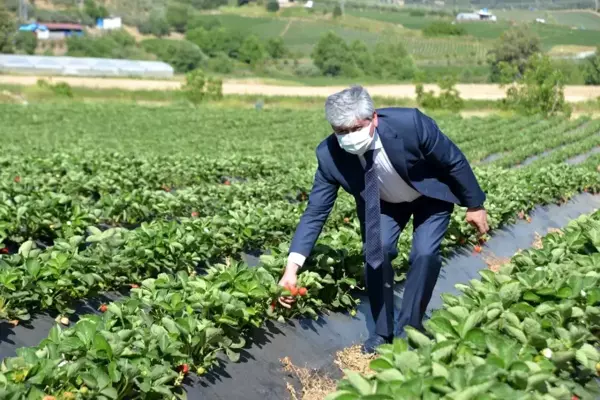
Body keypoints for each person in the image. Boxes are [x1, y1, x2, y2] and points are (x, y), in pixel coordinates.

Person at [277, 85, 489, 354]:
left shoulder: (410, 124)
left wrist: (475, 204)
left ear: (373, 118)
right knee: (377, 252)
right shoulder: (329, 155)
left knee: (424, 253)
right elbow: (316, 211)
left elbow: (453, 161)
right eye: (341, 131)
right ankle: (381, 332)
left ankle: (409, 330)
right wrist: (292, 268)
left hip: (429, 196)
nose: (349, 136)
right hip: (383, 202)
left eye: (355, 128)